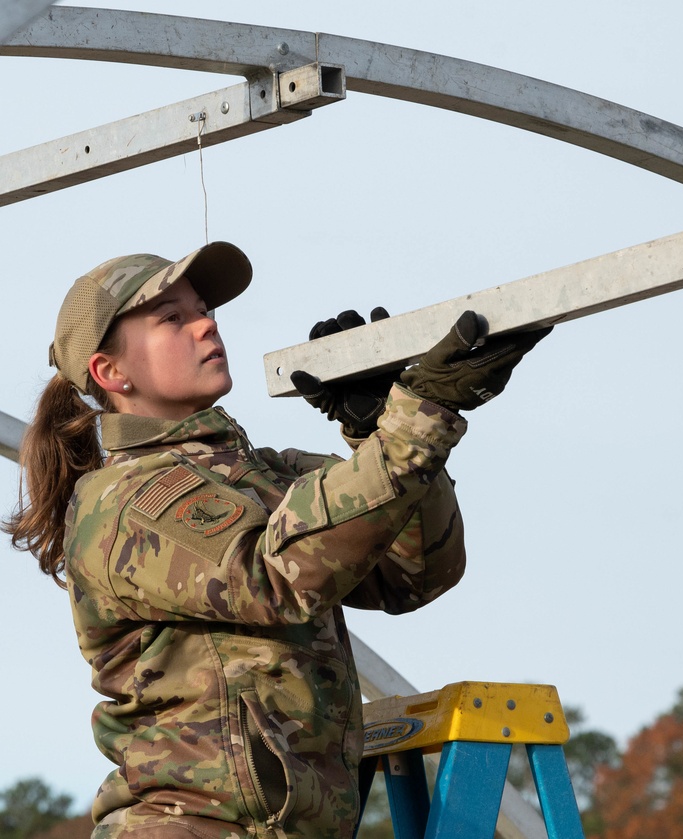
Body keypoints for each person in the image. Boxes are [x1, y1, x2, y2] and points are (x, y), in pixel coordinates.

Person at [3, 242, 550, 839]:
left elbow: (415, 572)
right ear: (112, 373)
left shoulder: (263, 475)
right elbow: (274, 576)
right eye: (172, 318)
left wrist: (378, 430)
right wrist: (419, 415)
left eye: (204, 307)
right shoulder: (125, 501)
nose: (207, 323)